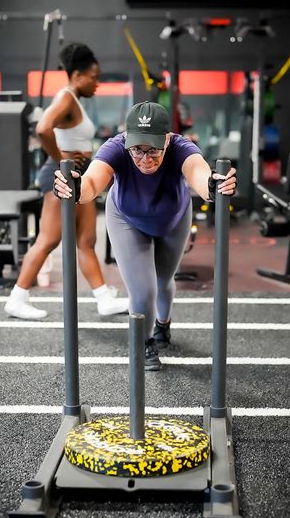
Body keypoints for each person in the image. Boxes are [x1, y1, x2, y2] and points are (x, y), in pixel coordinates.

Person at [53, 100, 237, 370]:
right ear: (127, 140)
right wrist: (76, 188)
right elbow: (92, 182)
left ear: (167, 139)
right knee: (143, 290)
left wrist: (212, 185)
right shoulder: (115, 148)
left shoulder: (181, 147)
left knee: (164, 280)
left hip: (173, 218)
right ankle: (145, 341)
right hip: (126, 218)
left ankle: (163, 323)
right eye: (137, 150)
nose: (145, 159)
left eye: (153, 150)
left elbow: (198, 172)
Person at [4, 42, 129, 320]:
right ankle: (17, 298)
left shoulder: (75, 100)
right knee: (49, 239)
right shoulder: (67, 98)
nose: (97, 83)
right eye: (93, 77)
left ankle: (104, 299)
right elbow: (43, 128)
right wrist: (62, 158)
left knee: (86, 240)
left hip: (78, 177)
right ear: (77, 75)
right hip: (60, 175)